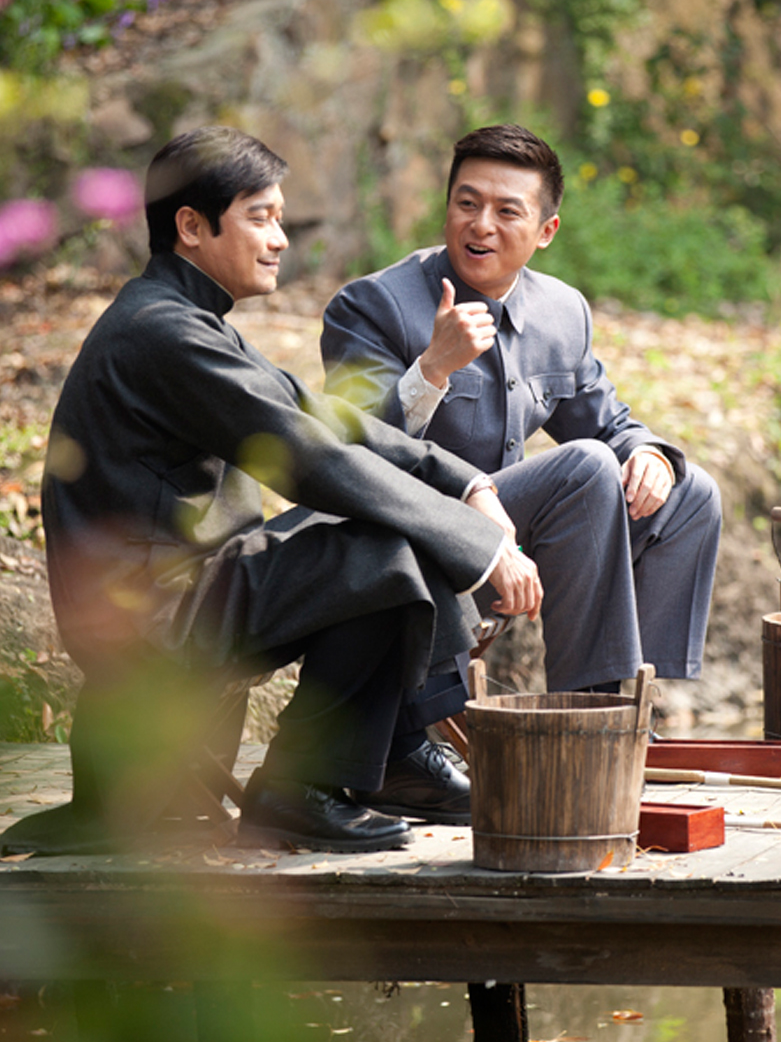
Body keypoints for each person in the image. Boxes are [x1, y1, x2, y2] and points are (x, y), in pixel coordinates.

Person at [0, 126, 541, 858]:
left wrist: (464, 483)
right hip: (147, 617)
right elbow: (307, 456)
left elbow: (323, 419)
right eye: (261, 217)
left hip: (177, 589)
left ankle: (393, 751)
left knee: (397, 530)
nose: (280, 238)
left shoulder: (182, 316)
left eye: (281, 218)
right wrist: (479, 547)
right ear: (191, 226)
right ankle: (300, 788)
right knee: (386, 547)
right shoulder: (163, 332)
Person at [321, 123, 722, 699]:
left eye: (507, 211)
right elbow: (350, 457)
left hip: (517, 546)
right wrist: (432, 368)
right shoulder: (373, 305)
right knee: (585, 467)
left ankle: (640, 702)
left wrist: (647, 453)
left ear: (546, 231)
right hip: (411, 547)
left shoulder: (562, 311)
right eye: (467, 203)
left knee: (689, 490)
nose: (481, 224)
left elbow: (607, 422)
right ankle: (592, 713)